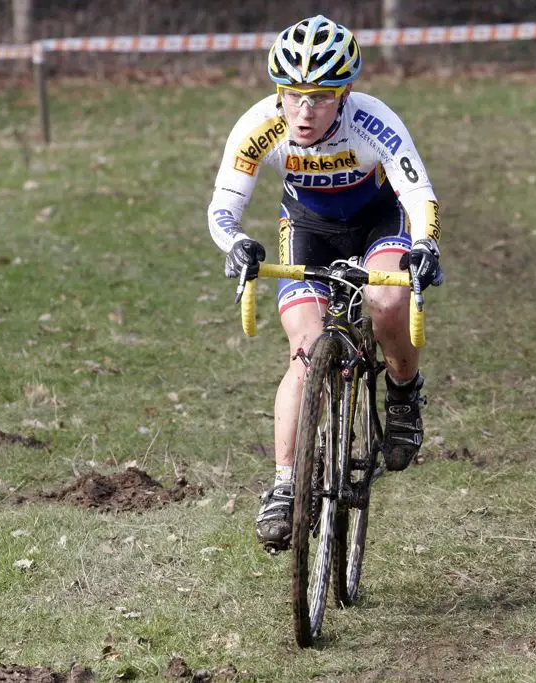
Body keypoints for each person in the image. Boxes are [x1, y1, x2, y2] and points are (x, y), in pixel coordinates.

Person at [207, 14, 444, 551]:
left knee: (386, 304)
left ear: (346, 93)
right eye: (292, 96)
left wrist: (425, 244)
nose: (304, 111)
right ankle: (286, 485)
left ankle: (403, 393)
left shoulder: (374, 121)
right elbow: (224, 207)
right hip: (309, 229)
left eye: (319, 97)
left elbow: (417, 193)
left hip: (380, 222)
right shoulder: (258, 127)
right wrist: (237, 244)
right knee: (305, 349)